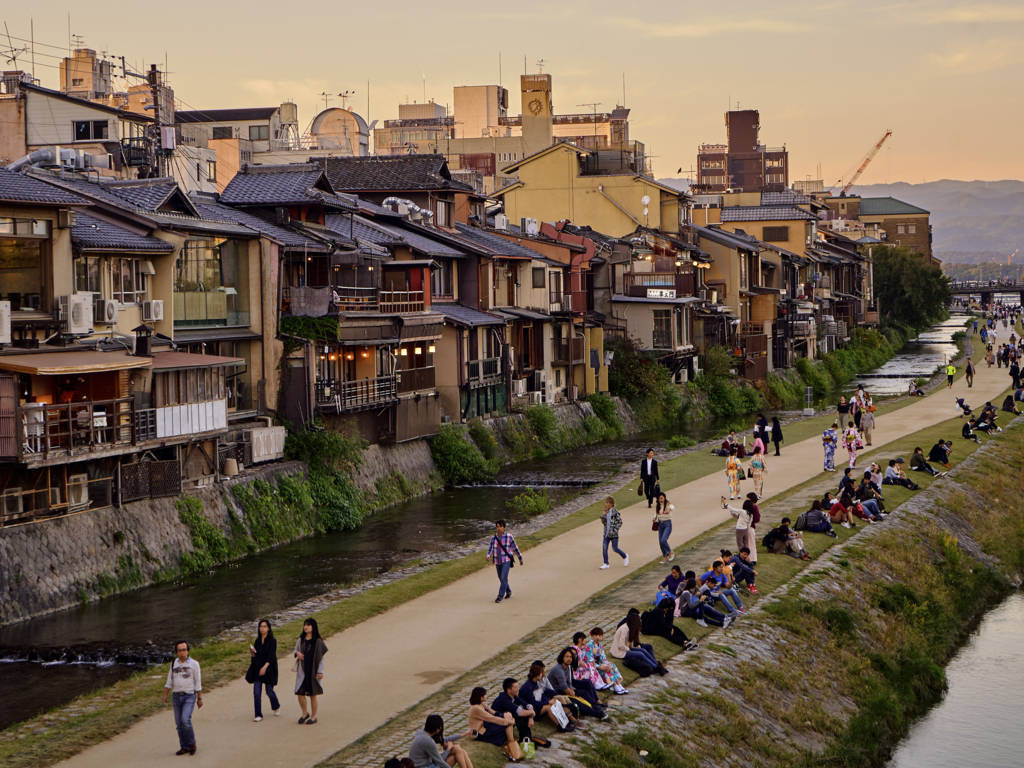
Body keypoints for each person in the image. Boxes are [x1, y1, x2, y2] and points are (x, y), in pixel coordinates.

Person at [162, 640, 203, 756]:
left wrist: (199, 698)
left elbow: (198, 682)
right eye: (180, 650)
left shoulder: (194, 664)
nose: (182, 653)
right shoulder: (174, 663)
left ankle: (191, 744)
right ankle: (184, 747)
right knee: (179, 724)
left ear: (188, 650)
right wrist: (165, 694)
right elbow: (169, 680)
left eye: (184, 650)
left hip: (189, 696)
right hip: (176, 697)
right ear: (176, 652)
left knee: (185, 720)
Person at [491, 678, 553, 749]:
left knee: (524, 715)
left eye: (518, 687)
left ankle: (526, 739)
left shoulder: (513, 696)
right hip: (497, 725)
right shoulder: (504, 699)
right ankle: (526, 740)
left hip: (507, 720)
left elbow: (528, 705)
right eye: (515, 687)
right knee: (519, 716)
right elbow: (520, 712)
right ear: (509, 690)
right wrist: (531, 713)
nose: (518, 689)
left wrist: (530, 717)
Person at [464, 687, 523, 761]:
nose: (486, 696)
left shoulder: (481, 704)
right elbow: (492, 718)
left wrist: (505, 715)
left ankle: (511, 748)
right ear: (481, 697)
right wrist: (508, 721)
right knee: (508, 724)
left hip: (485, 726)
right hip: (480, 732)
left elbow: (493, 712)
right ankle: (514, 750)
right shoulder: (476, 708)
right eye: (485, 695)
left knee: (508, 721)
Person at [519, 660, 578, 733]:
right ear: (537, 674)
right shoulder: (528, 687)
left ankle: (566, 721)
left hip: (537, 706)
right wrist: (548, 702)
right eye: (542, 672)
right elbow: (533, 703)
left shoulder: (535, 683)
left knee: (555, 702)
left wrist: (551, 699)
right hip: (531, 711)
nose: (543, 674)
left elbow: (541, 695)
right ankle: (560, 726)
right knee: (549, 707)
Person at [548, 647, 605, 718]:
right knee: (577, 702)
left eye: (571, 657)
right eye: (567, 656)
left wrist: (573, 692)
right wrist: (575, 696)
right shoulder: (558, 669)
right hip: (557, 693)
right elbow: (564, 687)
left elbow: (569, 683)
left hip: (565, 691)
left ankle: (595, 705)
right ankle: (597, 713)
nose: (569, 659)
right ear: (562, 657)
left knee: (584, 693)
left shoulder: (568, 667)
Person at [610, 611, 668, 676]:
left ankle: (657, 665)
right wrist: (630, 650)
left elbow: (629, 643)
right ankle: (656, 667)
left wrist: (633, 648)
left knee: (643, 650)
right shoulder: (624, 629)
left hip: (625, 649)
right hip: (618, 651)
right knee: (640, 654)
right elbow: (620, 645)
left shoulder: (630, 627)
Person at [294, 618, 327, 724]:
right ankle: (304, 713)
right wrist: (297, 654)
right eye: (305, 625)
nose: (306, 627)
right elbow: (295, 650)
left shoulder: (318, 641)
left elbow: (321, 658)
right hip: (302, 670)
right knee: (299, 693)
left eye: (308, 625)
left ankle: (313, 716)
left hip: (313, 671)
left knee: (313, 694)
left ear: (313, 627)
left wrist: (320, 671)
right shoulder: (300, 640)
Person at [246, 619, 279, 722]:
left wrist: (265, 667)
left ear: (268, 628)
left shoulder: (273, 641)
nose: (262, 628)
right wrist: (252, 653)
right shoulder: (257, 641)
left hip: (269, 669)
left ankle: (275, 705)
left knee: (269, 691)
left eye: (264, 626)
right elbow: (255, 657)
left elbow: (271, 656)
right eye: (260, 626)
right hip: (257, 669)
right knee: (256, 693)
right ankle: (258, 714)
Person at [409, 714, 473, 768]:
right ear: (437, 730)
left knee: (459, 749)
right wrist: (448, 749)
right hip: (426, 766)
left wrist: (464, 734)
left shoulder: (423, 731)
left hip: (429, 763)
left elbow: (443, 739)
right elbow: (440, 762)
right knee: (455, 755)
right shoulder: (428, 741)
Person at [487, 519, 523, 604]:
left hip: (506, 560)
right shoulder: (493, 538)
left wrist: (520, 558)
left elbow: (515, 548)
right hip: (497, 560)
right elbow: (490, 548)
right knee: (501, 578)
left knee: (503, 577)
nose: (498, 528)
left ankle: (500, 596)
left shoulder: (509, 536)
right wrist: (488, 555)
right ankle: (509, 591)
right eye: (497, 527)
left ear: (504, 527)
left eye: (500, 526)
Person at [724, 492, 760, 564]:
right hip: (747, 527)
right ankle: (748, 559)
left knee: (749, 544)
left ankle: (752, 559)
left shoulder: (754, 507)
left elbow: (756, 519)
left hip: (748, 528)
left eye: (747, 498)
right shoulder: (749, 508)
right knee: (747, 544)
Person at [599, 496, 628, 569]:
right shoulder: (605, 512)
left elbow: (620, 522)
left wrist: (615, 529)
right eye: (606, 503)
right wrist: (603, 516)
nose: (606, 504)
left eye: (608, 503)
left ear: (612, 504)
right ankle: (606, 563)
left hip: (614, 534)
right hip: (606, 534)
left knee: (615, 548)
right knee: (604, 548)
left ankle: (625, 556)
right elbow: (604, 523)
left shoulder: (615, 512)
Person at [653, 491, 674, 562]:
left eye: (662, 498)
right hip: (660, 524)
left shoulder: (668, 504)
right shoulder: (658, 505)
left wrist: (669, 509)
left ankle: (670, 552)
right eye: (660, 498)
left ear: (664, 498)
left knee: (663, 540)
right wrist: (654, 518)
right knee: (660, 542)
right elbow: (656, 513)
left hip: (667, 524)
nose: (661, 499)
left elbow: (673, 507)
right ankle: (665, 556)